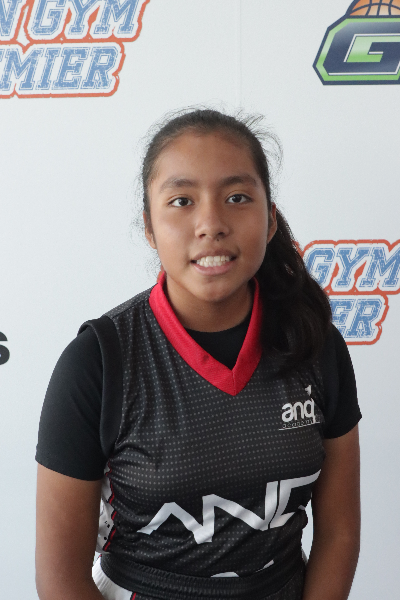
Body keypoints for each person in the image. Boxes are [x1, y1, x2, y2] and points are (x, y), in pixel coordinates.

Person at [35, 109, 361, 600]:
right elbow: (60, 579)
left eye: (237, 197)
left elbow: (339, 534)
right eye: (182, 201)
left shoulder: (313, 343)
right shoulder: (98, 362)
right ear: (149, 227)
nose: (211, 224)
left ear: (271, 219)